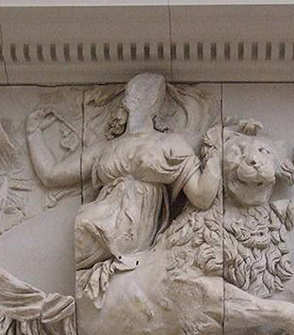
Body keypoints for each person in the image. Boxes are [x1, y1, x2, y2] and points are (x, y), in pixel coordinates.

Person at [26, 73, 221, 298]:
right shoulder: (107, 148)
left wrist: (216, 155)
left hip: (136, 228)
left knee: (91, 229)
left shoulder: (170, 144)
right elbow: (51, 175)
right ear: (127, 102)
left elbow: (202, 196)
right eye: (137, 95)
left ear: (158, 106)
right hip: (97, 218)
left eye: (149, 95)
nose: (141, 99)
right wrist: (33, 133)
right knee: (84, 226)